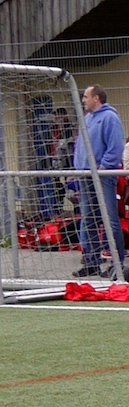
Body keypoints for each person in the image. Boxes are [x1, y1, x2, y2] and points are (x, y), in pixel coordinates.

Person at [72, 84, 126, 279]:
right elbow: (80, 147)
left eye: (86, 96)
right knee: (89, 219)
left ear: (96, 98)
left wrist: (104, 167)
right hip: (86, 175)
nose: (83, 100)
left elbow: (115, 146)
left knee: (110, 219)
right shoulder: (87, 119)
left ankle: (117, 263)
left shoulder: (110, 117)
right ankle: (91, 262)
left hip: (103, 177)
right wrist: (78, 166)